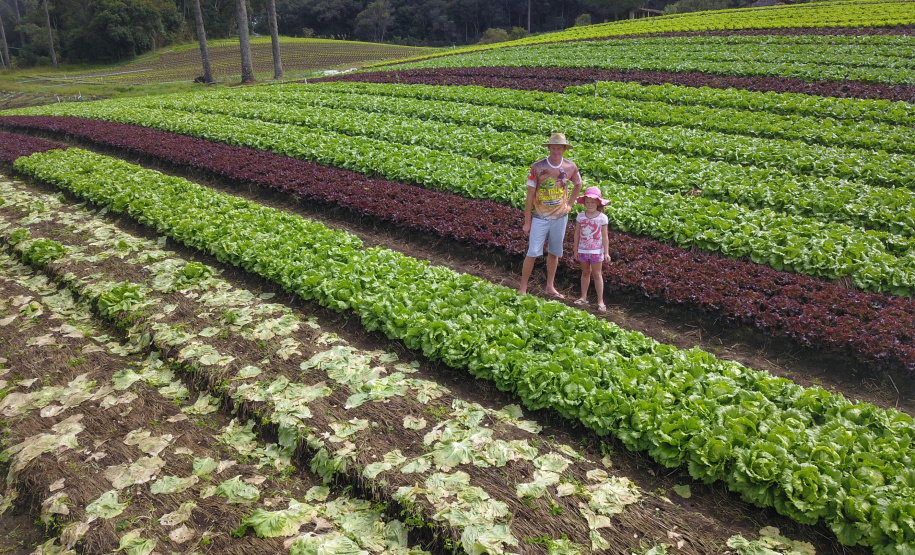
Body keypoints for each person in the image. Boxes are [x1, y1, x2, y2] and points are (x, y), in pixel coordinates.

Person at [520, 133, 583, 298]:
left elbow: (578, 183)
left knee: (554, 252)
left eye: (559, 148)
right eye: (553, 148)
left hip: (560, 217)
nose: (556, 151)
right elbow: (530, 196)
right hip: (540, 217)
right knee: (533, 252)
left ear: (564, 149)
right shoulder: (538, 167)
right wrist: (528, 222)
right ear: (549, 148)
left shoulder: (570, 167)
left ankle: (550, 286)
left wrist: (569, 204)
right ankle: (523, 288)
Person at [573, 186, 611, 312]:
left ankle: (600, 301)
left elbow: (605, 237)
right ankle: (583, 297)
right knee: (585, 272)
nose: (589, 205)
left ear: (598, 203)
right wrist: (575, 250)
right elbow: (577, 234)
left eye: (592, 202)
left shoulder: (602, 218)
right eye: (587, 202)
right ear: (584, 203)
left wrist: (606, 253)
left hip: (596, 251)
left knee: (597, 274)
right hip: (583, 250)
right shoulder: (580, 216)